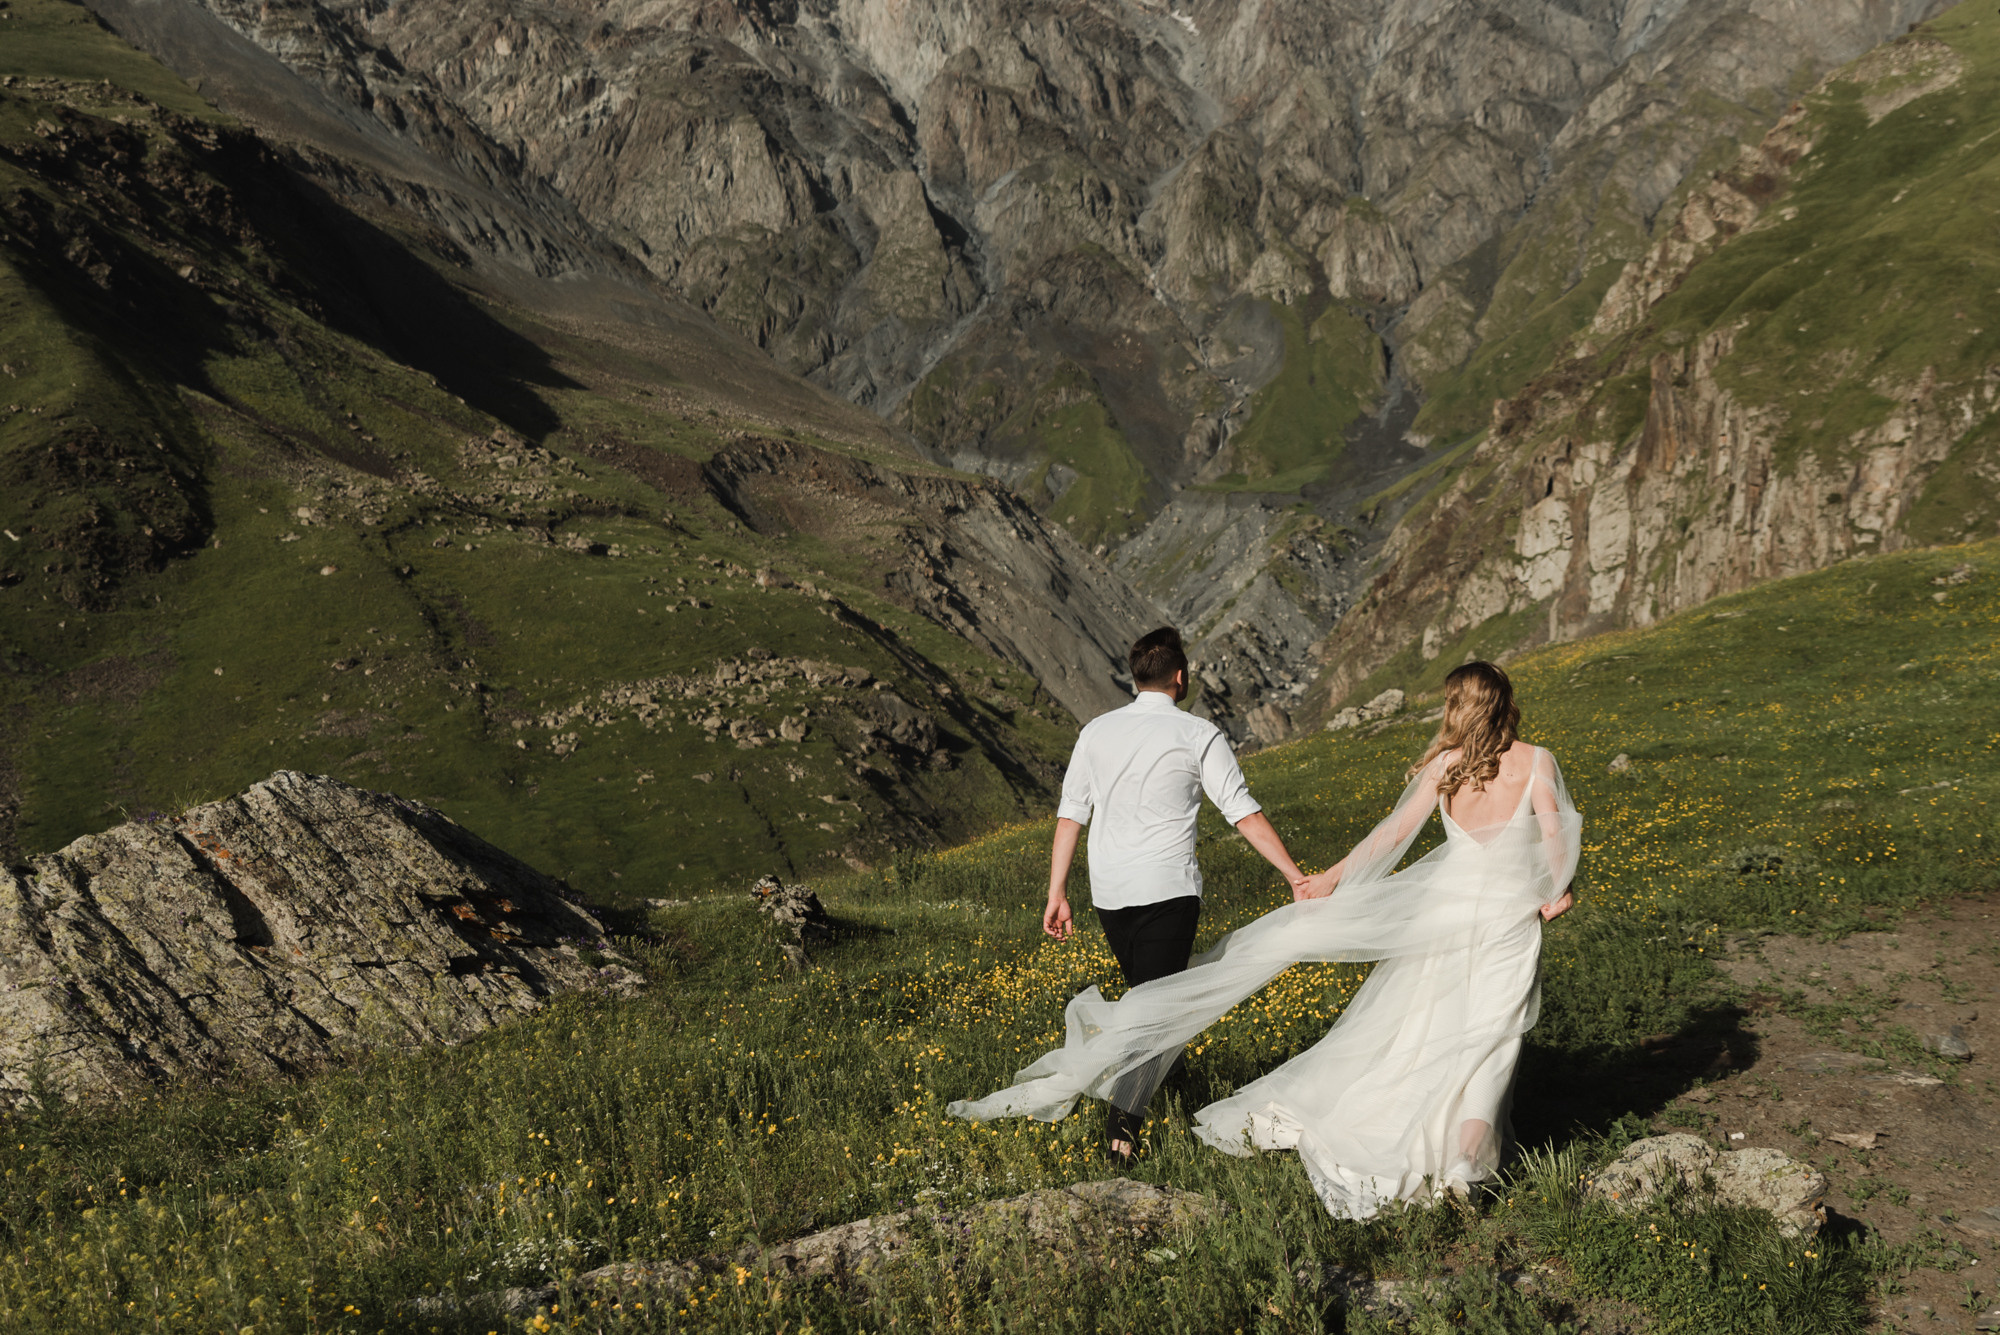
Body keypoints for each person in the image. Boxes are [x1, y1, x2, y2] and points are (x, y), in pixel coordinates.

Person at [950, 661, 1580, 1219]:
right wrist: (1557, 892)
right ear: (1505, 703)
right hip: (1506, 920)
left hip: (1441, 917)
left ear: (1457, 708)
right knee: (1494, 1037)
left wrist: (1328, 879)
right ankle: (1469, 1163)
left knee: (1427, 1033)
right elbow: (1556, 844)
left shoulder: (1446, 767)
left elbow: (1390, 838)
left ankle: (1448, 1154)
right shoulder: (1539, 760)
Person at [1042, 626, 1308, 1160]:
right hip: (1166, 890)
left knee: (1150, 996)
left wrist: (1057, 893)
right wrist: (1293, 875)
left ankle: (1178, 1090)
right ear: (1180, 678)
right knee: (1153, 1011)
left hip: (1109, 893)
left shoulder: (1095, 731)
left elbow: (1071, 814)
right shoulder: (1197, 733)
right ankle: (1122, 1134)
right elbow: (1241, 811)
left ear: (1135, 677)